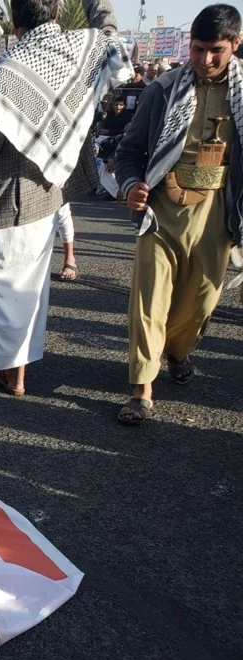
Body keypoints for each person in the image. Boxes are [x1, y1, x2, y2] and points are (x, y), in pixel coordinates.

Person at [0, 0, 129, 401]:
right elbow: (110, 31)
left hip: (1, 200)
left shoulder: (8, 70)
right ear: (56, 13)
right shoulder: (83, 49)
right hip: (47, 197)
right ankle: (16, 376)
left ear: (14, 18)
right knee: (27, 291)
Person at [114, 4, 243, 424]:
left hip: (217, 211)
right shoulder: (163, 90)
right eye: (198, 49)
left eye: (216, 50)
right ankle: (142, 387)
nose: (205, 59)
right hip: (161, 209)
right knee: (148, 299)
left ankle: (177, 349)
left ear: (236, 44)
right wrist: (131, 185)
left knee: (202, 302)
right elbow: (129, 151)